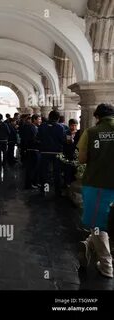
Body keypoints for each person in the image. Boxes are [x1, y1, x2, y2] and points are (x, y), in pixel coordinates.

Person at [77, 103, 114, 278]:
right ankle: (89, 244)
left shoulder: (91, 132)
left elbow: (82, 159)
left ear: (97, 117)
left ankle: (106, 265)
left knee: (98, 223)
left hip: (98, 183)